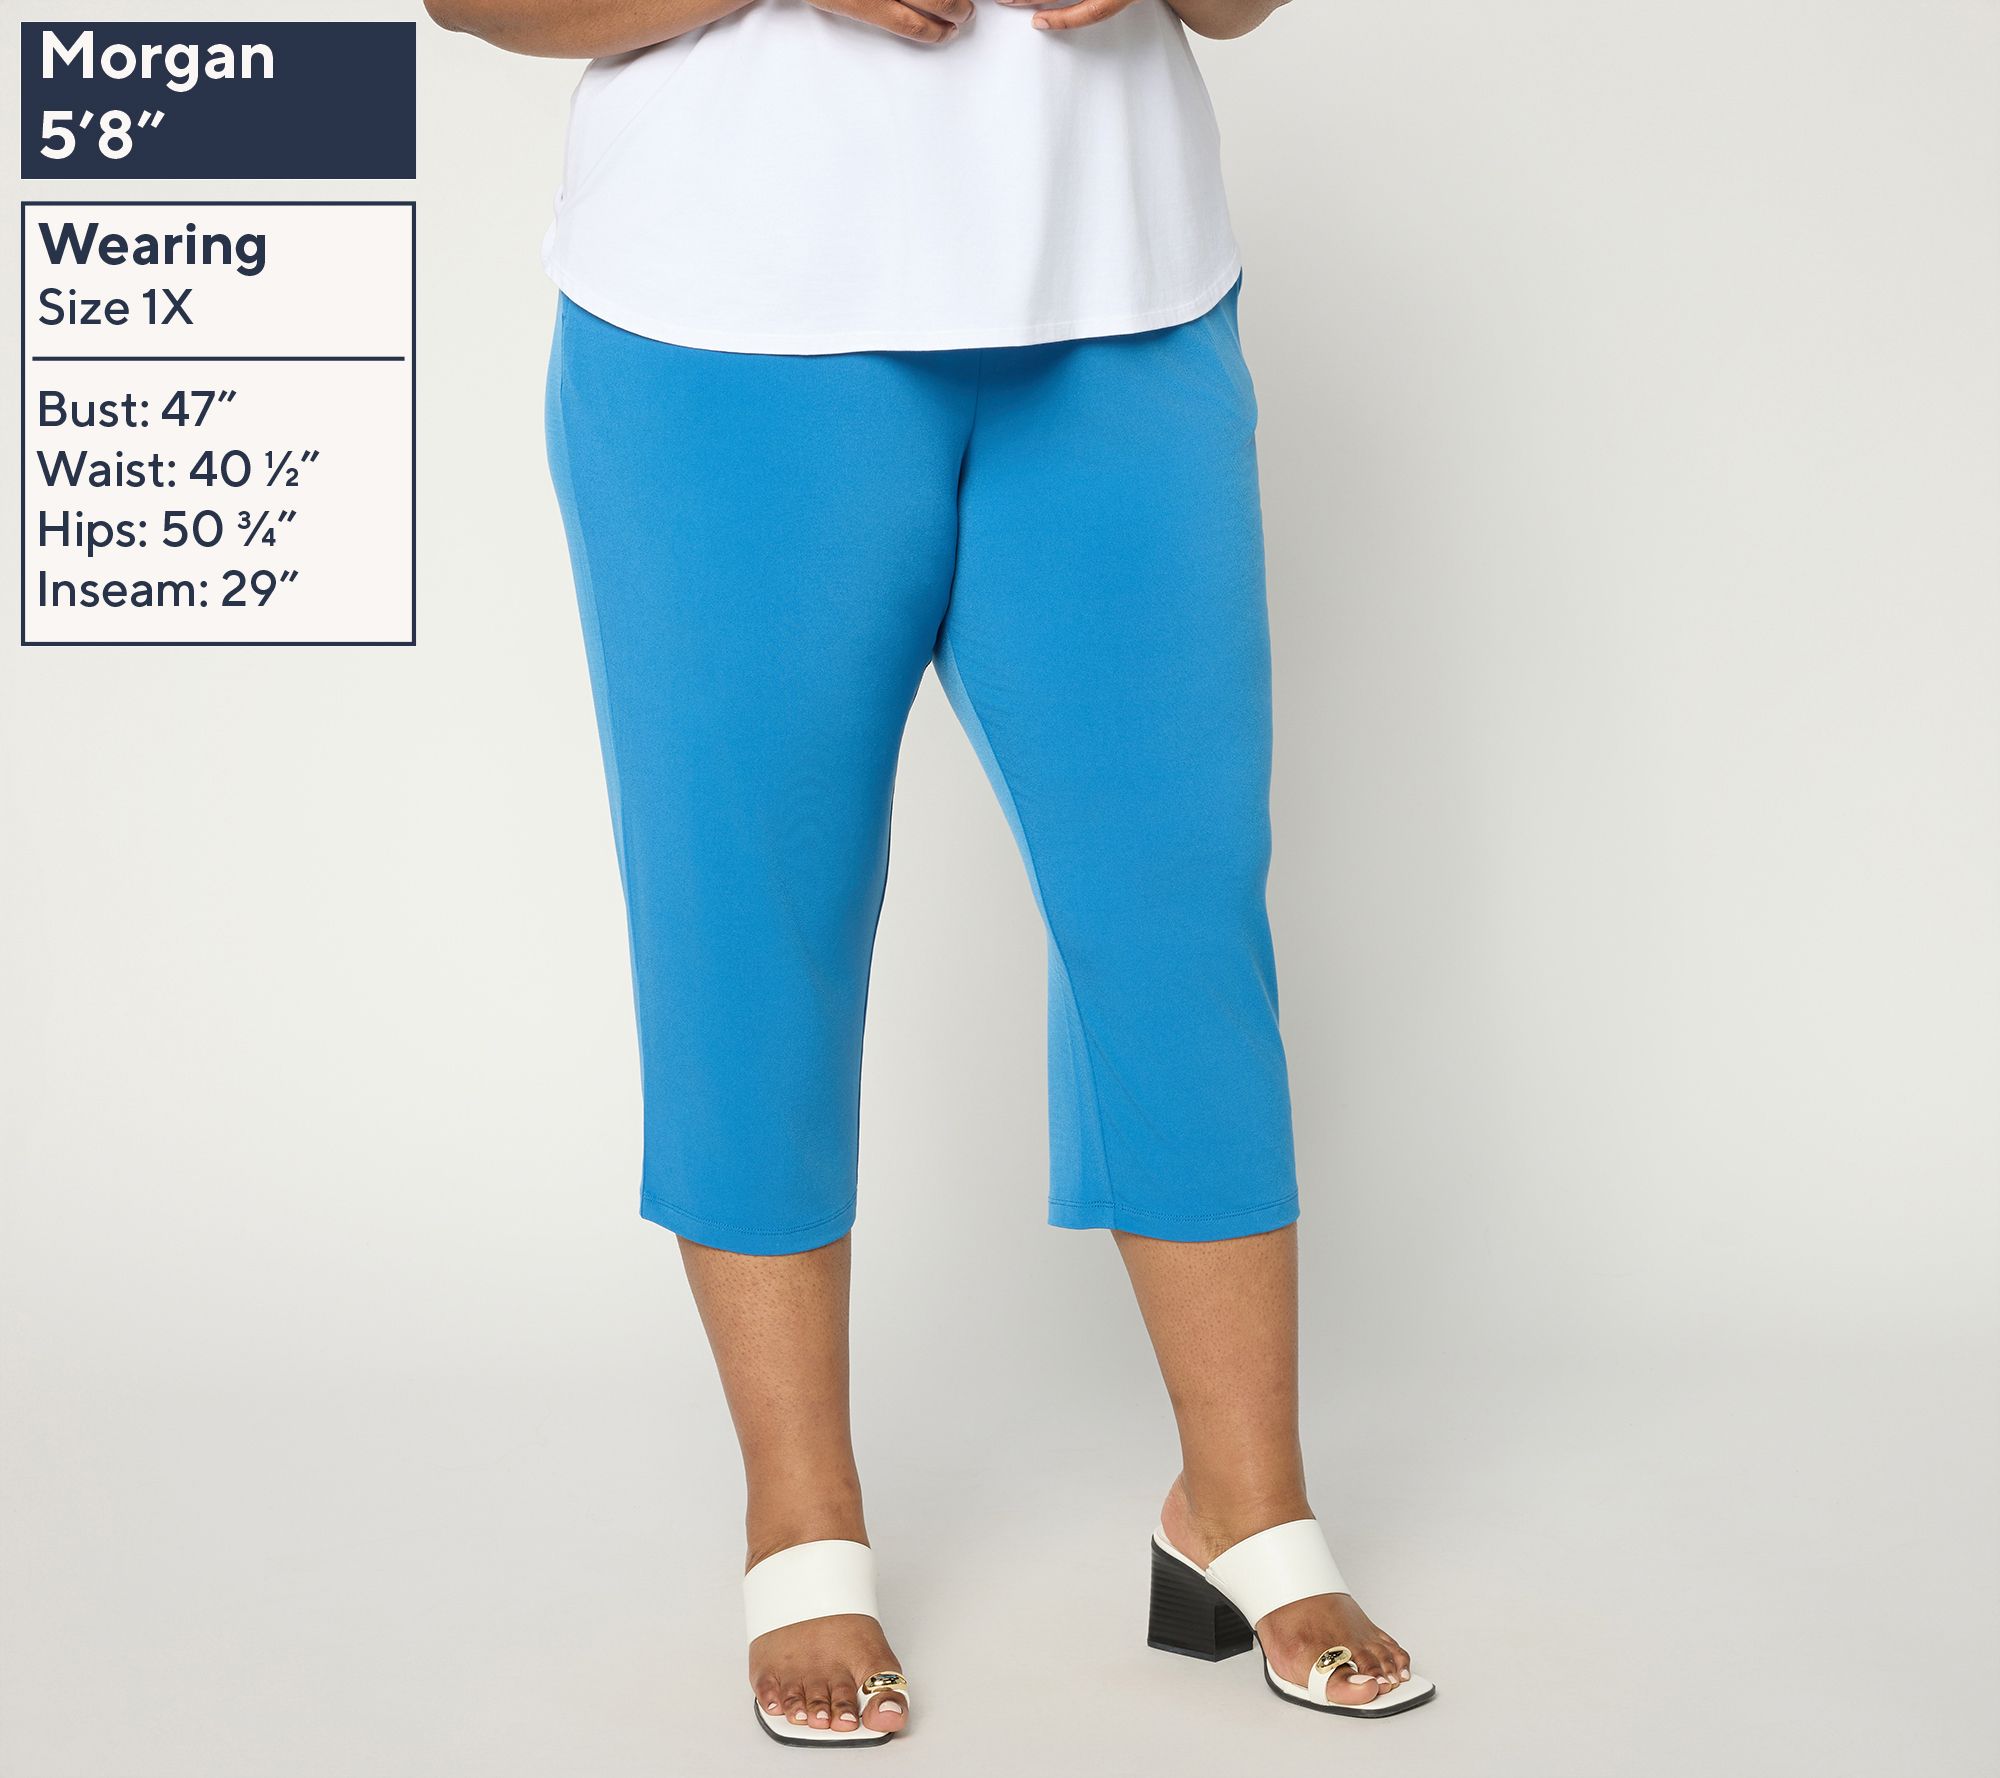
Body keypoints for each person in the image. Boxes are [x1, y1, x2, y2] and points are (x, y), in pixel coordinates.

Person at [426, 0, 1434, 1744]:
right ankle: (804, 1519)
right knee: (754, 925)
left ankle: (1243, 1502)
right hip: (727, 330)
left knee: (1179, 915)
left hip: (1123, 310)